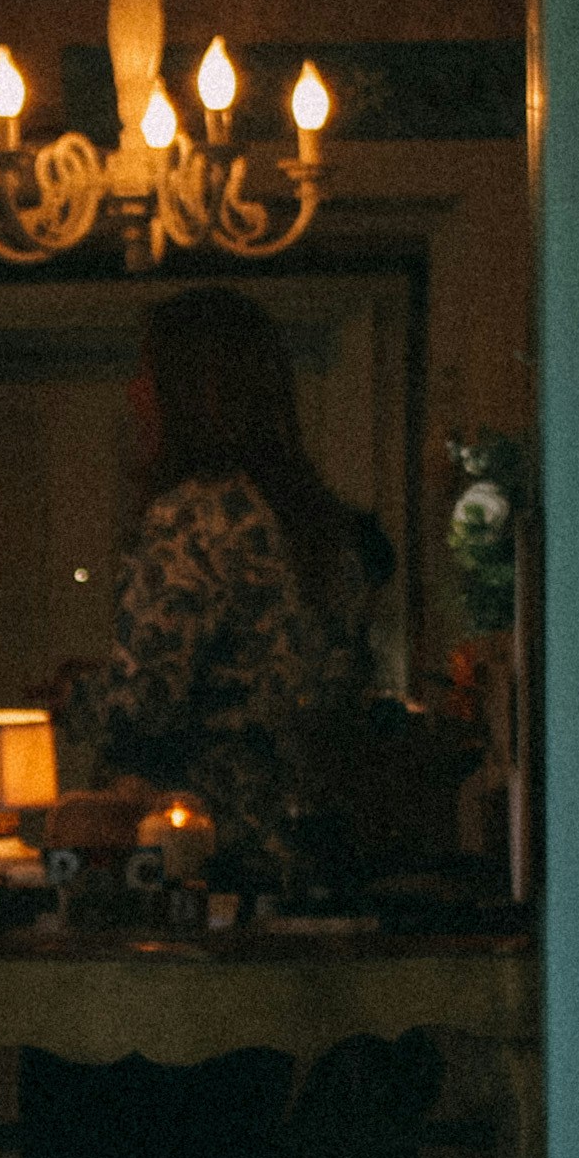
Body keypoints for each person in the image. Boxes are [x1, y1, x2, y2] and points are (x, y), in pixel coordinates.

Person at [83, 288, 373, 877]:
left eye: (146, 373)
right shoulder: (316, 525)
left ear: (189, 392)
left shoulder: (195, 518)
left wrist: (79, 701)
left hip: (206, 856)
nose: (135, 394)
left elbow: (141, 706)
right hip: (309, 854)